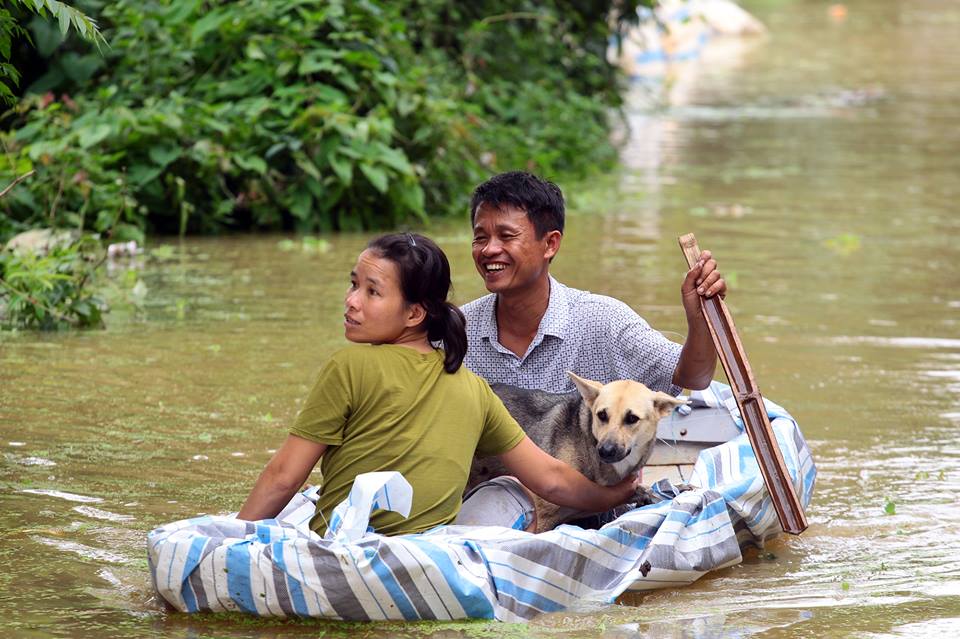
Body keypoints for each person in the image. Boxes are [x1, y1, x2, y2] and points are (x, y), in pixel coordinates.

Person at [237, 232, 640, 535]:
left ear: (414, 313)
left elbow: (283, 477)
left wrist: (231, 537)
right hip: (428, 558)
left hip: (343, 548)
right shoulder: (475, 388)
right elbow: (552, 479)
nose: (351, 300)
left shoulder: (348, 366)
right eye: (354, 284)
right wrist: (615, 495)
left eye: (371, 291)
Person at [462, 171, 726, 396]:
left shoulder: (601, 321)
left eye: (507, 236)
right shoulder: (456, 331)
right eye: (480, 238)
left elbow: (692, 378)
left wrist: (700, 319)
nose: (488, 250)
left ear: (550, 244)